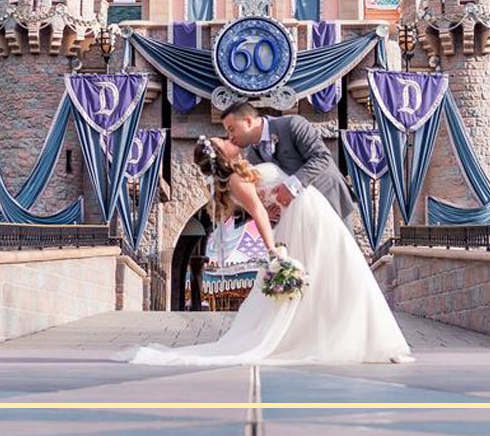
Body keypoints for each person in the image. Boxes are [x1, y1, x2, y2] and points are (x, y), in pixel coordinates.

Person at [121, 133, 412, 366]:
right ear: (221, 156)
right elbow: (260, 214)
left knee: (345, 272)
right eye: (224, 142)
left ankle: (375, 341)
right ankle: (368, 341)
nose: (230, 140)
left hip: (313, 212)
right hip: (305, 220)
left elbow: (271, 202)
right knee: (343, 272)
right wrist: (273, 252)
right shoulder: (236, 181)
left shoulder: (247, 168)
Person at [222, 101, 356, 222]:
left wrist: (291, 185)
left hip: (329, 198)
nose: (230, 137)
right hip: (301, 216)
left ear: (248, 121)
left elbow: (321, 157)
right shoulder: (251, 156)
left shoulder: (292, 124)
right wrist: (267, 210)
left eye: (232, 129)